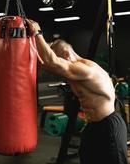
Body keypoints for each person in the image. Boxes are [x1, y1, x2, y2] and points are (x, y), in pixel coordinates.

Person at [27, 19, 128, 164]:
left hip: (108, 126)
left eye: (59, 58)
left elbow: (52, 62)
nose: (59, 65)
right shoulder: (74, 70)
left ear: (66, 54)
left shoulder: (86, 70)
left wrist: (37, 33)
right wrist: (30, 41)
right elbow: (46, 64)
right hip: (93, 126)